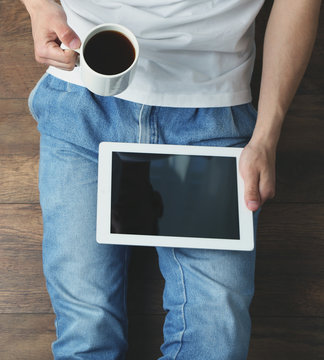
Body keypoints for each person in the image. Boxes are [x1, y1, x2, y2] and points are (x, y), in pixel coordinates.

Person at [20, 0, 321, 359]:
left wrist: (266, 137)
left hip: (209, 115)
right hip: (84, 96)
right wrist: (40, 8)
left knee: (215, 341)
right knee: (86, 333)